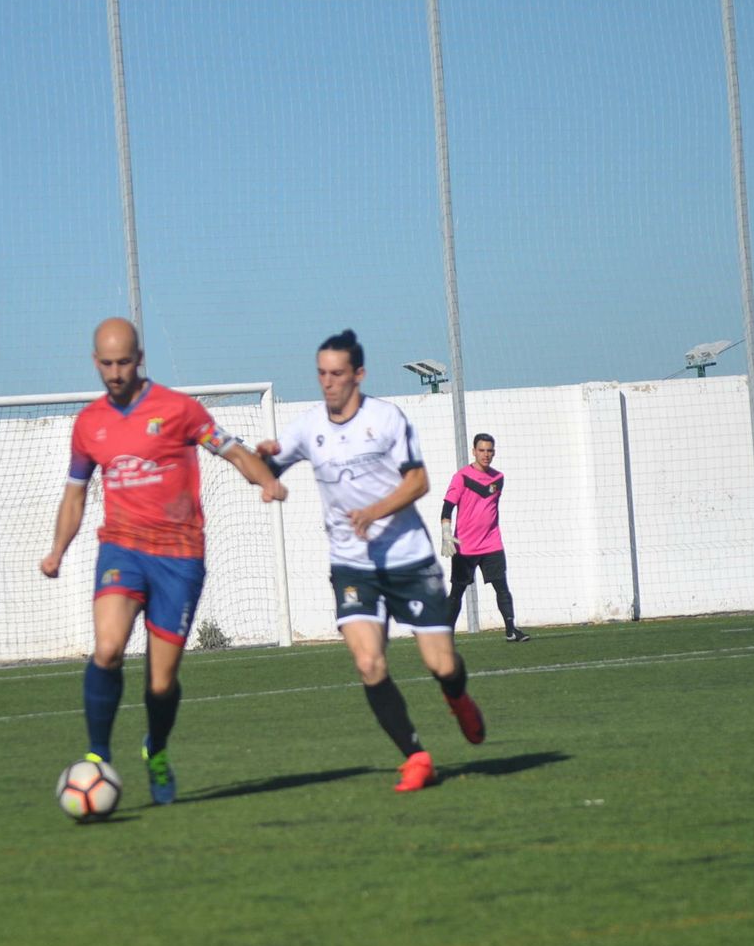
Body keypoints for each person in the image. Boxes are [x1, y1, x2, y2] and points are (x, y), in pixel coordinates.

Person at [41, 317, 287, 805]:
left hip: (179, 555)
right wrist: (57, 550)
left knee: (161, 680)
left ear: (140, 358)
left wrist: (265, 480)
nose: (115, 372)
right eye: (106, 364)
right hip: (121, 547)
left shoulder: (178, 409)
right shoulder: (88, 424)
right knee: (108, 648)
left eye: (124, 362)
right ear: (95, 362)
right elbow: (75, 495)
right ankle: (96, 756)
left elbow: (232, 450)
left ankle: (155, 748)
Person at [255, 329, 486, 793]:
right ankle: (417, 757)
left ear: (358, 374)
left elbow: (418, 482)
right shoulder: (307, 427)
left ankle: (455, 695)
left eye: (337, 373)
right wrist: (262, 468)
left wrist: (374, 512)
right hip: (352, 564)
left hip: (409, 560)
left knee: (440, 664)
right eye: (321, 373)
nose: (328, 382)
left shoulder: (386, 419)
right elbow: (270, 468)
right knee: (368, 664)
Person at [440, 433, 530, 642]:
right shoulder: (461, 477)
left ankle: (510, 630)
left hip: (492, 543)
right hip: (465, 546)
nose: (486, 454)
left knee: (502, 587)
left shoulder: (499, 478)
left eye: (489, 450)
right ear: (474, 451)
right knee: (457, 591)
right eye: (481, 450)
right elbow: (447, 507)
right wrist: (446, 533)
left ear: (494, 452)